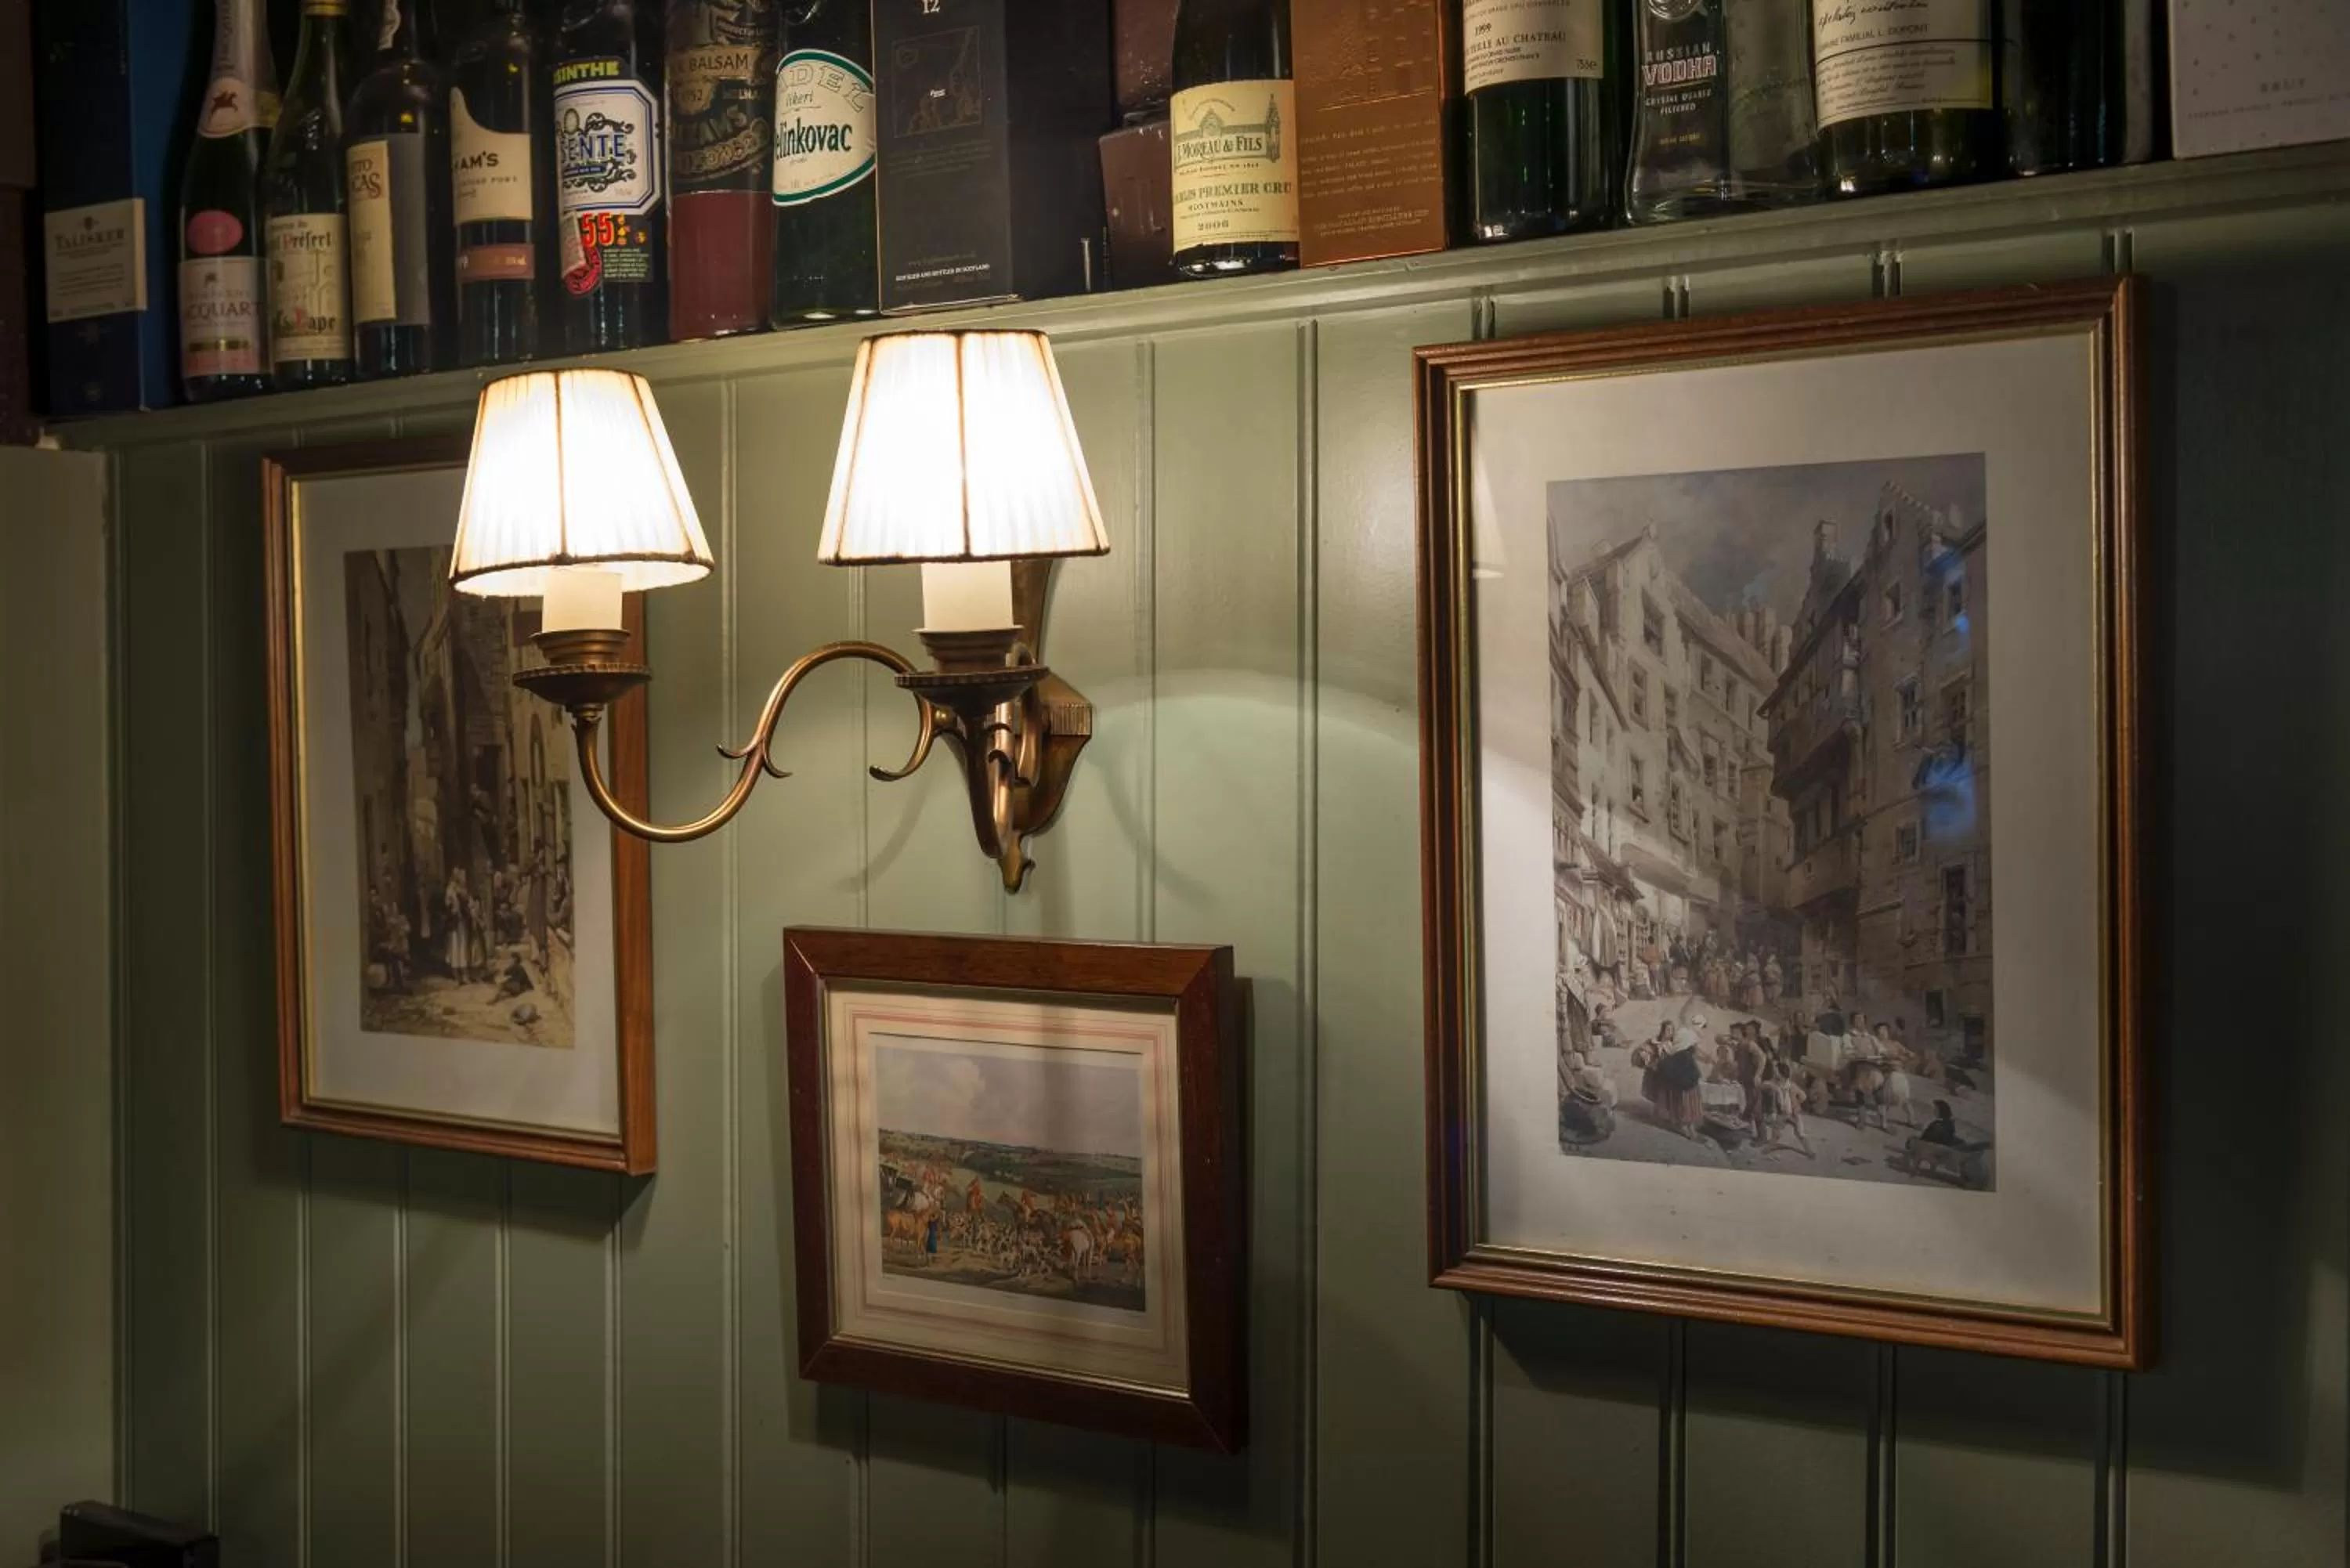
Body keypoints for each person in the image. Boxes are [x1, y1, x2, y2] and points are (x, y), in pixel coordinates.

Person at [1756, 1060, 1815, 1158]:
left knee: (1800, 1133)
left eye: (1777, 1071)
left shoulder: (1792, 1086)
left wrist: (1797, 1104)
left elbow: (1803, 1096)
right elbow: (1763, 1085)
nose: (1775, 1073)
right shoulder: (1774, 1084)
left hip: (1793, 1114)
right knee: (1776, 1133)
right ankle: (1771, 1146)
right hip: (1782, 1114)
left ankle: (1809, 1151)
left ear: (1781, 1074)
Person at [442, 867, 475, 982]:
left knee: (463, 946)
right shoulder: (450, 889)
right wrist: (453, 905)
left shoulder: (464, 889)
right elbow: (447, 904)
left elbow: (469, 902)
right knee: (455, 946)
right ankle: (456, 974)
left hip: (463, 922)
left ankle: (465, 973)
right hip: (454, 922)